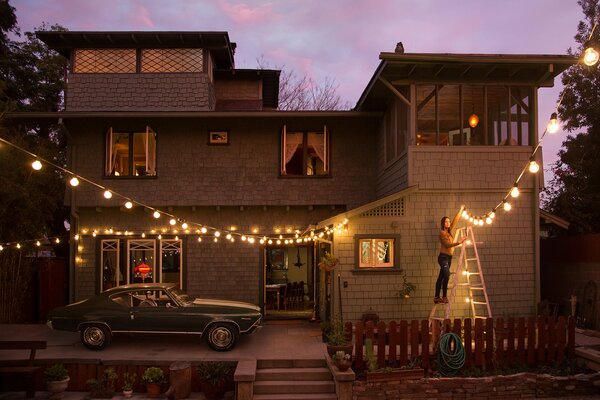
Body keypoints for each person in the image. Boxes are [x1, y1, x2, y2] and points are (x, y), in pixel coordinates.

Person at [434, 205, 466, 304]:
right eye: (446, 221)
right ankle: (444, 296)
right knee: (447, 274)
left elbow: (455, 221)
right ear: (443, 223)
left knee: (441, 277)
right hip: (443, 257)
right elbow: (447, 245)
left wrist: (460, 210)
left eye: (448, 221)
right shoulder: (442, 233)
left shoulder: (449, 231)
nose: (448, 222)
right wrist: (459, 242)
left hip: (449, 258)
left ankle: (436, 297)